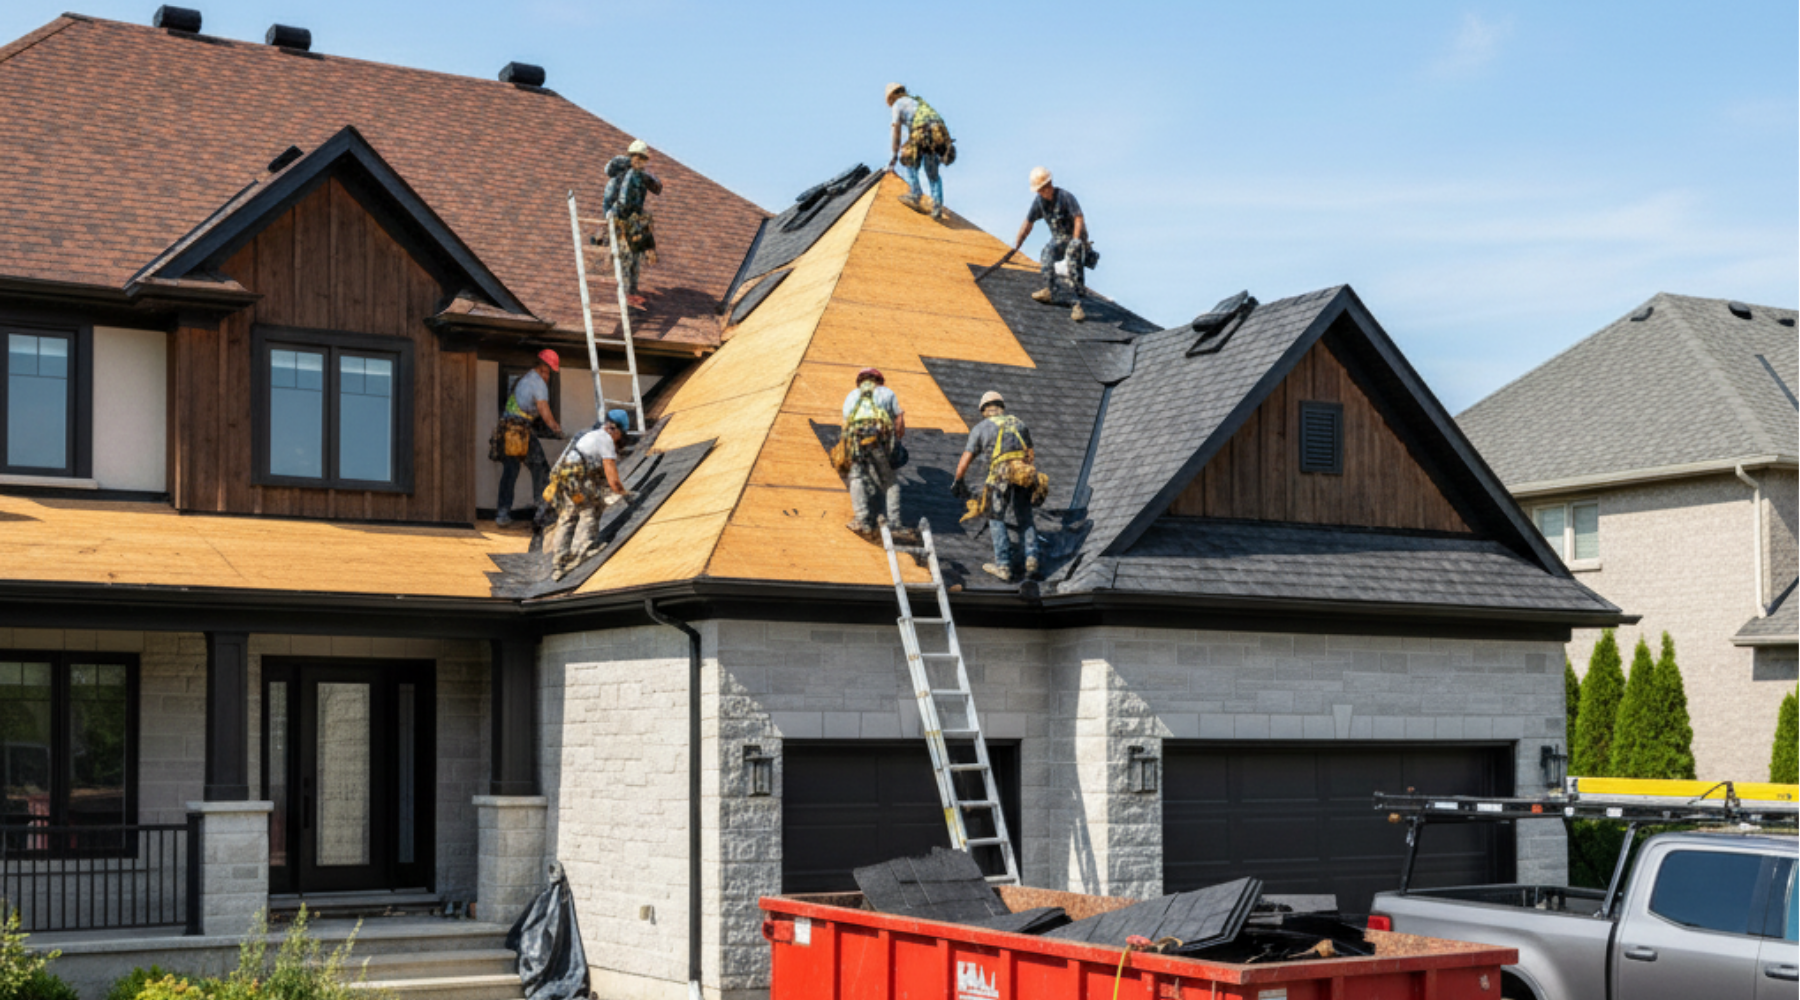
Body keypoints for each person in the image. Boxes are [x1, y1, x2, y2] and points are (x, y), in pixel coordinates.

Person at [951, 391, 1041, 582]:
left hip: (1000, 476)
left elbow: (965, 460)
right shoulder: (1019, 424)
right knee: (1025, 516)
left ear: (984, 410)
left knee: (995, 517)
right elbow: (1030, 455)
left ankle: (1003, 565)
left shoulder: (981, 428)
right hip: (1024, 473)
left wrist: (958, 481)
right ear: (1001, 406)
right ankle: (1032, 557)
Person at [547, 409, 634, 580]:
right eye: (621, 435)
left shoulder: (592, 435)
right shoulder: (606, 440)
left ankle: (559, 559)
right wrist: (624, 494)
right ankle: (585, 548)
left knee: (568, 516)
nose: (619, 440)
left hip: (567, 476)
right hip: (578, 477)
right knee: (590, 510)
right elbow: (612, 477)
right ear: (614, 430)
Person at [839, 368, 915, 543]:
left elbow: (845, 424)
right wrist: (896, 444)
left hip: (857, 443)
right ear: (880, 380)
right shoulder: (887, 393)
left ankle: (861, 519)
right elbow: (899, 421)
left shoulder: (852, 396)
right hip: (879, 443)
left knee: (857, 477)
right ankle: (895, 524)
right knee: (890, 483)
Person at [1011, 167, 1090, 322]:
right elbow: (1028, 222)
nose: (1042, 192)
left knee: (1073, 265)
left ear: (1050, 185)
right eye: (1039, 190)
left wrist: (1076, 240)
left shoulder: (1065, 197)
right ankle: (1052, 291)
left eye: (1043, 189)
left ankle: (1077, 304)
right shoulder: (1039, 202)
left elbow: (1079, 218)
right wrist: (1018, 243)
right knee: (1046, 255)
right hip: (1059, 239)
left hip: (1074, 238)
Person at [496, 350, 564, 527]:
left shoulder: (525, 379)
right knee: (540, 468)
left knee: (510, 471)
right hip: (519, 430)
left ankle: (502, 513)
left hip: (508, 429)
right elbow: (544, 410)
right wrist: (557, 429)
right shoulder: (537, 383)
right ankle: (543, 513)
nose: (548, 377)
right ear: (543, 368)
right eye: (549, 372)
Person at [602, 139, 663, 311]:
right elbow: (618, 198)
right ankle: (623, 291)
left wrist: (648, 176)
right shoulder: (624, 175)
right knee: (625, 255)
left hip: (630, 219)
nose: (640, 161)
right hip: (619, 218)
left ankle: (631, 291)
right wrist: (612, 217)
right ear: (631, 157)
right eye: (637, 157)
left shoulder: (640, 176)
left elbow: (657, 187)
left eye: (643, 158)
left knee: (636, 255)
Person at [884, 83, 953, 221]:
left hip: (921, 132)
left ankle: (915, 195)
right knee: (933, 174)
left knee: (908, 160)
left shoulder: (898, 104)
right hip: (937, 136)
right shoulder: (918, 102)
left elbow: (896, 131)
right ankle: (937, 206)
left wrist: (894, 155)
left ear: (892, 98)